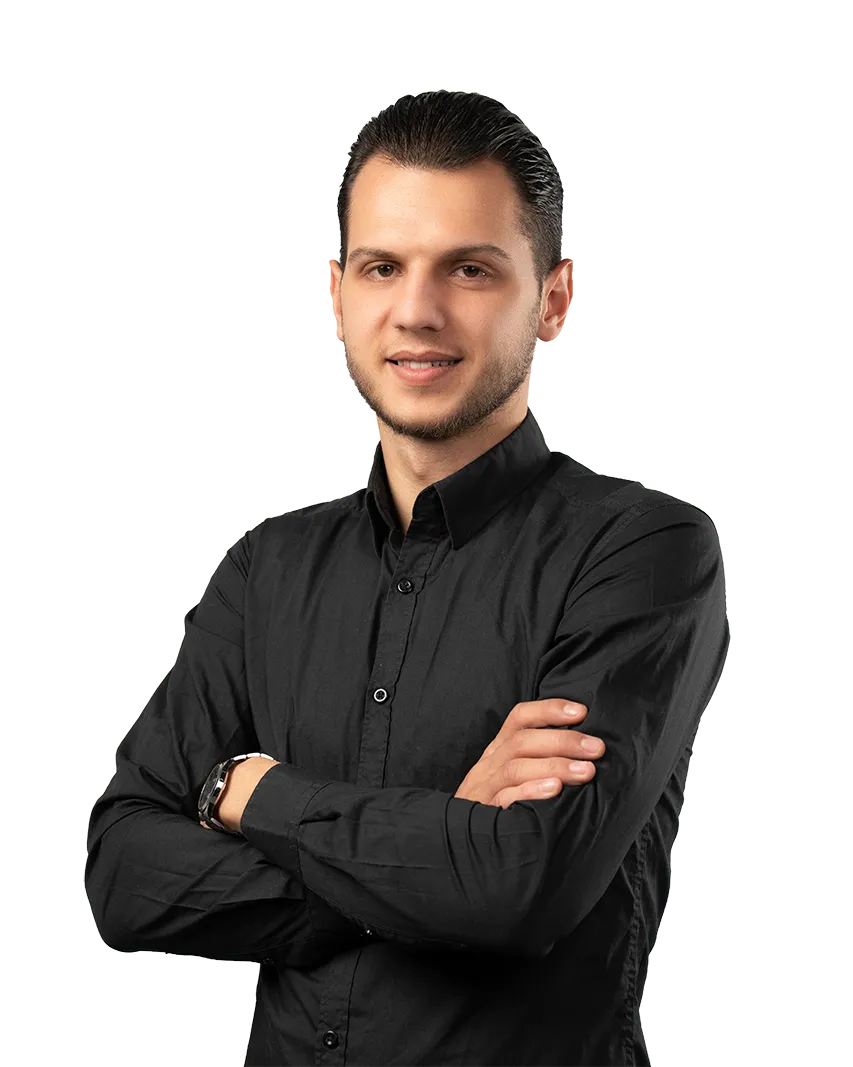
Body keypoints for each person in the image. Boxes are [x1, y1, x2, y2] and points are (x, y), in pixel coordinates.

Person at [85, 89, 729, 1067]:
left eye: (469, 268)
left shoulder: (641, 551)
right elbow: (126, 874)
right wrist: (427, 852)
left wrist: (249, 794)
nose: (417, 310)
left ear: (552, 298)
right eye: (383, 266)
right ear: (338, 294)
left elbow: (517, 888)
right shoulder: (266, 567)